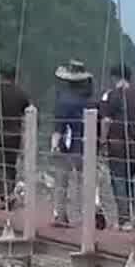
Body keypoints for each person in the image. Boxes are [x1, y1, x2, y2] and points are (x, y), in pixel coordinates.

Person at [97, 64, 135, 231]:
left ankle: (124, 220)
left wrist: (102, 140)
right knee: (128, 179)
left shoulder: (111, 96)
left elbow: (106, 121)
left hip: (116, 145)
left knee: (118, 180)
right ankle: (129, 215)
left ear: (115, 77)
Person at [50, 60, 95, 227]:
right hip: (85, 144)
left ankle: (60, 214)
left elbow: (59, 127)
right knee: (85, 181)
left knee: (62, 180)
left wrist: (54, 145)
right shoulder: (90, 101)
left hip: (66, 146)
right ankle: (89, 213)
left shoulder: (63, 100)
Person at [0, 66, 34, 211]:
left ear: (1, 76)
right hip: (15, 134)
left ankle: (6, 197)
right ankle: (10, 194)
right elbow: (29, 108)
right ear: (14, 77)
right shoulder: (21, 93)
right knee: (11, 165)